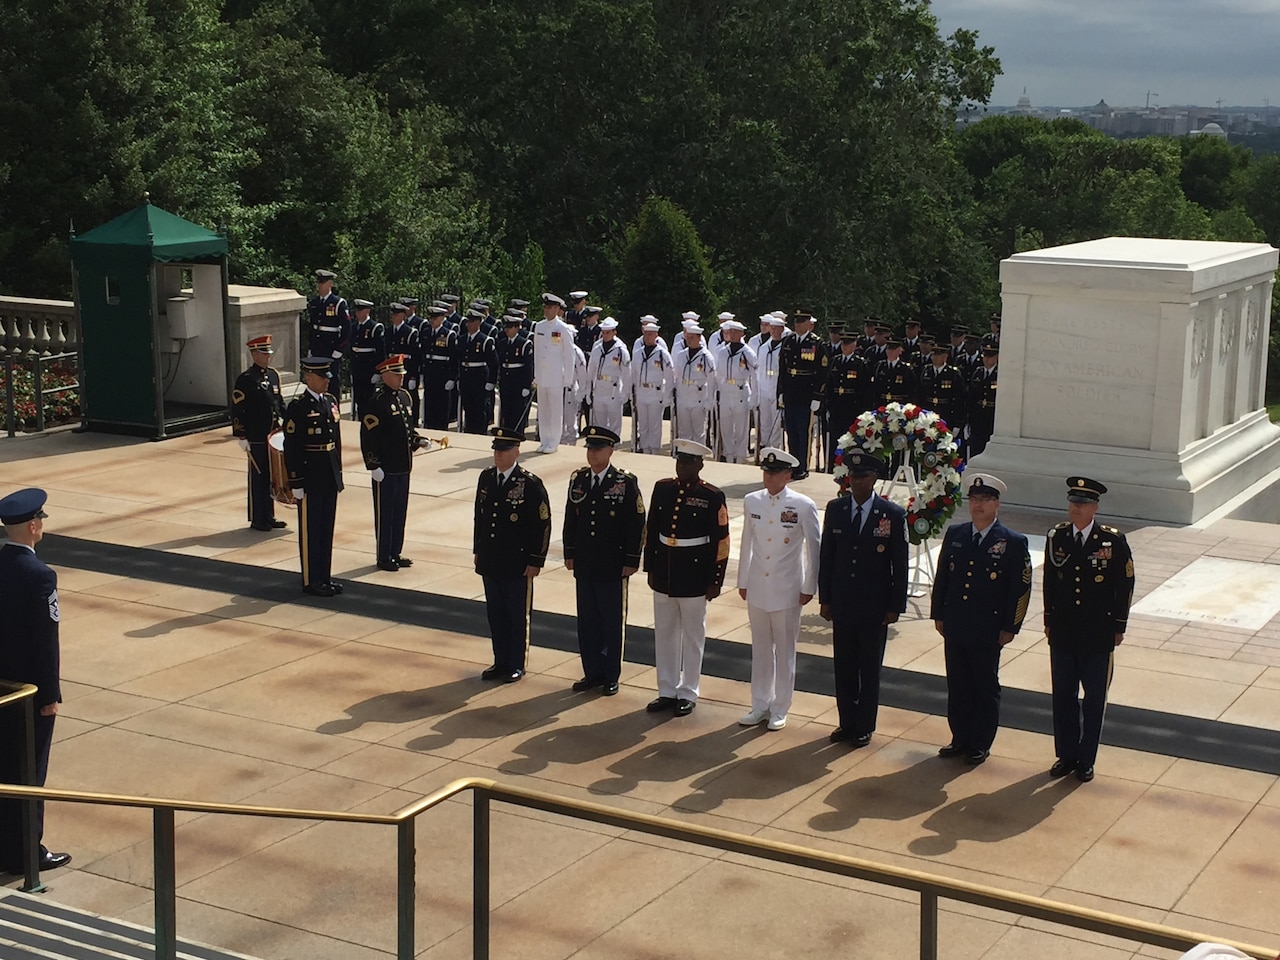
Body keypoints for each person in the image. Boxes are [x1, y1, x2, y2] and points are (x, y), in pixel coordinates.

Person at [930, 474, 1032, 765]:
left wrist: (1011, 626)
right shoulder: (957, 534)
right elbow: (944, 578)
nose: (978, 505)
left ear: (996, 504)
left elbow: (1020, 587)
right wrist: (938, 613)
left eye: (985, 500)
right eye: (974, 500)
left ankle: (980, 742)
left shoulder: (1012, 542)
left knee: (984, 686)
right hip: (957, 623)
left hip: (988, 627)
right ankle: (959, 737)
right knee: (958, 684)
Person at [1044, 477, 1135, 783]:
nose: (1076, 508)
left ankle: (1086, 758)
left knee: (1094, 699)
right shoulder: (1057, 536)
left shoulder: (1112, 541)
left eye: (1082, 504)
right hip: (1065, 630)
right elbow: (1050, 584)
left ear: (1095, 507)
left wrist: (1119, 625)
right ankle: (1066, 754)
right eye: (1073, 503)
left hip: (1098, 633)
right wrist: (1048, 620)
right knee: (1064, 697)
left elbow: (1124, 585)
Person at [0, 488, 71, 874]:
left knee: (4, 769)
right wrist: (50, 694)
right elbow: (46, 640)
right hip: (29, 693)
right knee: (30, 772)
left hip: (3, 689)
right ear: (32, 526)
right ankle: (27, 852)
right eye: (40, 518)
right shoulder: (39, 575)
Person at [818, 451, 909, 747]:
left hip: (874, 605)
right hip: (843, 602)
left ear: (874, 480)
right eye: (853, 477)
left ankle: (864, 725)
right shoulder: (836, 508)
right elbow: (827, 557)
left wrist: (896, 605)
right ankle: (846, 722)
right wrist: (826, 598)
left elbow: (900, 562)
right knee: (844, 666)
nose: (857, 483)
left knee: (869, 669)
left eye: (863, 477)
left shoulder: (892, 514)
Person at [644, 439, 730, 716]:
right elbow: (652, 529)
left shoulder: (711, 496)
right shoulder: (663, 488)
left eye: (688, 463)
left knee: (693, 636)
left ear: (700, 465)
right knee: (665, 633)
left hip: (694, 573)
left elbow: (721, 541)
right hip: (666, 571)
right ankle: (667, 689)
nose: (682, 467)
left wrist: (715, 579)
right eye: (680, 462)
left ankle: (689, 690)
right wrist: (651, 568)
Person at [736, 448, 821, 731]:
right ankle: (760, 703)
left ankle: (780, 706)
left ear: (787, 476)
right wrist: (743, 581)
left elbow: (814, 549)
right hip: (759, 586)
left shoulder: (803, 505)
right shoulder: (752, 501)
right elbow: (747, 543)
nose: (767, 477)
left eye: (774, 473)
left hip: (787, 589)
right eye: (765, 472)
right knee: (760, 650)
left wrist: (810, 585)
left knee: (785, 652)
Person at [563, 426, 646, 696]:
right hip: (586, 562)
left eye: (597, 448)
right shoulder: (579, 479)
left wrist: (632, 558)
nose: (592, 453)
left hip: (612, 564)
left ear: (610, 451)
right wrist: (570, 551)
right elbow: (571, 518)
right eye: (589, 448)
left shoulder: (624, 482)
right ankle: (592, 672)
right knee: (587, 621)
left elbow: (636, 524)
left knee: (611, 621)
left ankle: (611, 674)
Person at [474, 427, 552, 683]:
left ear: (516, 452)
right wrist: (478, 549)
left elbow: (541, 523)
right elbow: (480, 518)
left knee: (517, 616)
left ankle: (516, 663)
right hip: (491, 558)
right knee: (496, 614)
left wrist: (536, 559)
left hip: (517, 561)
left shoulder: (529, 483)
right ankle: (500, 661)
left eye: (504, 450)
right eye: (496, 450)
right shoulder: (486, 478)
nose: (498, 455)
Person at [284, 357, 345, 597]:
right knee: (312, 530)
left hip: (328, 473)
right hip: (310, 475)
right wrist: (296, 481)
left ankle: (325, 575)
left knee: (326, 527)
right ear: (309, 378)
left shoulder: (330, 402)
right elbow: (293, 447)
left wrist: (338, 472)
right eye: (322, 378)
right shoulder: (299, 408)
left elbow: (335, 440)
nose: (327, 382)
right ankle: (311, 579)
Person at [360, 355, 425, 572]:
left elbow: (406, 430)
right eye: (397, 375)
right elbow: (368, 436)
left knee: (399, 513)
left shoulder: (402, 398)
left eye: (402, 375)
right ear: (386, 375)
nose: (401, 379)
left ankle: (395, 552)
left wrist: (418, 440)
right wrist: (373, 465)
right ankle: (384, 555)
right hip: (385, 468)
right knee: (385, 514)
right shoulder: (377, 402)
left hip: (402, 466)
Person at [230, 334, 286, 532]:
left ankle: (268, 515)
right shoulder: (245, 380)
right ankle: (257, 517)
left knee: (271, 477)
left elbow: (279, 403)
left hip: (272, 434)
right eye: (263, 353)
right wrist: (241, 435)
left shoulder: (273, 375)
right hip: (256, 435)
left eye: (268, 353)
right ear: (254, 354)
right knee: (258, 476)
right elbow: (237, 409)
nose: (267, 356)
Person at [777, 312, 829, 479]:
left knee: (803, 431)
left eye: (802, 322)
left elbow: (823, 372)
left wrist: (817, 396)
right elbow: (782, 370)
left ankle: (802, 466)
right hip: (791, 393)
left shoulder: (817, 343)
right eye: (796, 321)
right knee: (791, 431)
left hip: (806, 393)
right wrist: (780, 392)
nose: (798, 325)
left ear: (809, 324)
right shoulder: (788, 341)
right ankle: (792, 464)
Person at [533, 293, 576, 452]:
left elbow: (569, 354)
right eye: (546, 307)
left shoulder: (563, 328)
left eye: (550, 307)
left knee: (555, 411)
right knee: (543, 410)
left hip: (556, 375)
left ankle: (554, 441)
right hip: (543, 376)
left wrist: (568, 378)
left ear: (557, 309)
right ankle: (544, 440)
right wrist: (536, 374)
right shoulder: (539, 326)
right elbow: (537, 352)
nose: (547, 310)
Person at [712, 319, 757, 463]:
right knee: (726, 427)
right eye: (729, 331)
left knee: (741, 428)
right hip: (725, 391)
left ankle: (740, 457)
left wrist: (754, 396)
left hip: (740, 391)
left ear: (741, 333)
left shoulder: (747, 352)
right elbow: (717, 373)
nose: (730, 334)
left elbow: (754, 375)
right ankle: (729, 455)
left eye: (734, 332)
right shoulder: (722, 351)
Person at [631, 319, 673, 454]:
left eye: (651, 334)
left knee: (654, 425)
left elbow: (669, 376)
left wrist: (667, 396)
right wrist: (634, 393)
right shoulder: (638, 353)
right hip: (642, 391)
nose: (648, 336)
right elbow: (634, 374)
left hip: (656, 392)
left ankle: (654, 450)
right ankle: (644, 448)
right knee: (643, 424)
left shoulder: (662, 354)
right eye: (646, 334)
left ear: (656, 335)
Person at [586, 317, 631, 437]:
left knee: (614, 422)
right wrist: (588, 391)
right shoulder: (597, 348)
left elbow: (627, 373)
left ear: (614, 332)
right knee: (599, 422)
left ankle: (613, 444)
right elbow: (590, 371)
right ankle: (600, 442)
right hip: (599, 389)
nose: (605, 335)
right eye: (604, 332)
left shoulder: (621, 350)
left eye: (608, 332)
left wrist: (625, 393)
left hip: (613, 390)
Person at [673, 324, 717, 444]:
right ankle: (685, 457)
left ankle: (697, 458)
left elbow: (712, 380)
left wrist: (710, 400)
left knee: (698, 432)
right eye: (688, 337)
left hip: (698, 397)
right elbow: (677, 375)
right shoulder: (682, 355)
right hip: (684, 396)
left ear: (699, 338)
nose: (689, 340)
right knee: (684, 431)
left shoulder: (706, 357)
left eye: (692, 337)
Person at [306, 268, 351, 386]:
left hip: (330, 346)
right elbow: (312, 327)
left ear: (330, 284)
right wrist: (311, 347)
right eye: (319, 282)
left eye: (323, 282)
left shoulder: (338, 303)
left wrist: (339, 349)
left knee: (331, 379)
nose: (319, 285)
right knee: (316, 377)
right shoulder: (315, 303)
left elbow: (347, 328)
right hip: (317, 346)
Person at [420, 305, 459, 429]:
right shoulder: (425, 332)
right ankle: (429, 425)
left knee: (442, 404)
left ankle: (441, 426)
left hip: (442, 374)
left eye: (435, 317)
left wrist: (452, 378)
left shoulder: (448, 335)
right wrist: (421, 372)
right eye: (431, 317)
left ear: (442, 318)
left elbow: (454, 358)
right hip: (430, 373)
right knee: (429, 402)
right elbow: (422, 354)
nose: (432, 320)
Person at [348, 300, 386, 421]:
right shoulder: (354, 327)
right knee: (359, 398)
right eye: (357, 310)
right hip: (357, 367)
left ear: (367, 311)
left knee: (368, 398)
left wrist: (377, 371)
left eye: (361, 310)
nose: (358, 313)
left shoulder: (374, 327)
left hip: (368, 368)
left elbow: (380, 352)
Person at [385, 303, 422, 424]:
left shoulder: (410, 332)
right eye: (392, 314)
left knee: (409, 397)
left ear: (402, 315)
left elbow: (415, 357)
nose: (393, 317)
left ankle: (412, 421)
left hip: (406, 370)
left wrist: (413, 376)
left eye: (396, 314)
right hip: (392, 370)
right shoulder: (388, 331)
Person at [495, 315, 535, 432]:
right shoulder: (503, 343)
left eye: (511, 327)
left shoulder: (524, 344)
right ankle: (507, 432)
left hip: (518, 381)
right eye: (506, 327)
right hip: (506, 381)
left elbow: (528, 366)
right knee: (506, 410)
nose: (507, 330)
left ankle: (518, 433)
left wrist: (526, 385)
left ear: (517, 327)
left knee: (517, 410)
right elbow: (500, 363)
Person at [755, 316, 788, 452]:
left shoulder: (785, 348)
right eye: (772, 328)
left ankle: (775, 448)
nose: (773, 331)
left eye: (776, 328)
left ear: (782, 329)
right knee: (765, 420)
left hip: (776, 387)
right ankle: (765, 446)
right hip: (764, 387)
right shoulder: (763, 348)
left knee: (776, 422)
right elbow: (758, 371)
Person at [966, 346, 999, 458]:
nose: (986, 359)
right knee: (976, 448)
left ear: (996, 357)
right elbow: (971, 397)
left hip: (992, 417)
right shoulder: (978, 373)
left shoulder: (1000, 374)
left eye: (990, 356)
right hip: (977, 416)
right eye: (985, 356)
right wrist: (968, 420)